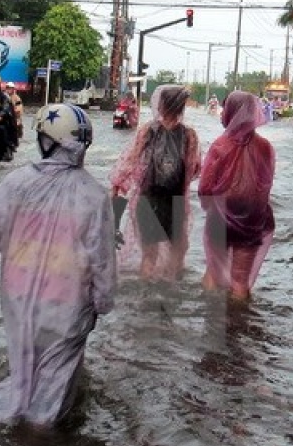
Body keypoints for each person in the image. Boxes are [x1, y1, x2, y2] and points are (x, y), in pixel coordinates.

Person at [0, 104, 116, 428]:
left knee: (23, 367)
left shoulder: (16, 182)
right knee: (55, 380)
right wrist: (103, 302)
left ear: (45, 140)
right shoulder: (94, 195)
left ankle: (19, 431)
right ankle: (39, 444)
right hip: (68, 302)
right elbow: (101, 257)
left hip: (18, 297)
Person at [110, 84, 201, 280]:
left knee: (149, 257)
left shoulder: (147, 130)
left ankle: (145, 303)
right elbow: (195, 168)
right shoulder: (189, 135)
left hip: (148, 198)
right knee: (177, 256)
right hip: (174, 200)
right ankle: (171, 300)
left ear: (160, 106)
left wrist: (117, 186)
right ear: (181, 108)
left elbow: (130, 160)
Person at [198, 91, 276, 302]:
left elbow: (205, 188)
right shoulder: (266, 148)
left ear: (230, 113)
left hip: (219, 219)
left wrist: (210, 208)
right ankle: (240, 328)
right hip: (252, 220)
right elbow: (266, 187)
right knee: (240, 283)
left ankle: (211, 324)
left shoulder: (220, 146)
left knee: (212, 274)